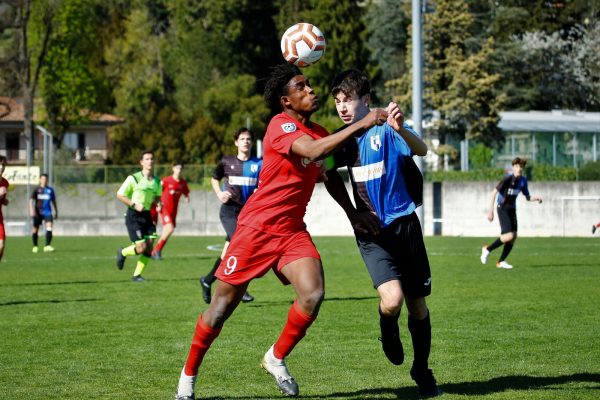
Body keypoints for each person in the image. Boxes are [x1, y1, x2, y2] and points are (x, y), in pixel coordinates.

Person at [174, 64, 388, 400]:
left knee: (313, 294)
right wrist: (363, 121)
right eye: (301, 87)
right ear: (286, 100)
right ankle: (187, 379)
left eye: (310, 84)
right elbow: (315, 152)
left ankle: (275, 357)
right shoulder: (279, 125)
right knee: (219, 310)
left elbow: (328, 172)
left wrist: (354, 213)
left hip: (291, 232)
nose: (311, 90)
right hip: (254, 230)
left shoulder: (318, 131)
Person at [323, 69, 441, 398]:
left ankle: (422, 367)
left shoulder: (387, 129)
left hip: (405, 227)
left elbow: (421, 150)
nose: (342, 108)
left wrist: (401, 128)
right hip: (372, 232)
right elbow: (328, 174)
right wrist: (353, 213)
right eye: (337, 102)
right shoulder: (343, 139)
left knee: (418, 307)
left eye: (348, 100)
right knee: (392, 301)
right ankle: (388, 330)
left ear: (367, 101)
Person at [199, 127, 262, 304]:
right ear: (236, 142)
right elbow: (214, 178)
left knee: (228, 253)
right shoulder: (227, 162)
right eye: (242, 139)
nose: (246, 142)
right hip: (229, 211)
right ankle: (241, 289)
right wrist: (219, 193)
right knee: (242, 245)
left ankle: (207, 280)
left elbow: (264, 183)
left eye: (248, 139)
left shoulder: (259, 163)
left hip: (247, 214)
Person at [480, 157, 543, 269]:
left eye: (521, 167)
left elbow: (527, 197)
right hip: (502, 208)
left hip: (512, 209)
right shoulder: (507, 179)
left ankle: (501, 262)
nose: (519, 169)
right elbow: (493, 193)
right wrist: (491, 211)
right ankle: (487, 249)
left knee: (513, 237)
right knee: (509, 235)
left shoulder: (523, 181)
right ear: (513, 167)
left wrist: (536, 198)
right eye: (517, 166)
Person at [115, 150, 162, 282]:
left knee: (149, 247)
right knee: (141, 247)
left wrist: (158, 203)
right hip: (133, 215)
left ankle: (137, 276)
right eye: (147, 159)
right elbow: (120, 195)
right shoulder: (134, 178)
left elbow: (157, 196)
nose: (150, 161)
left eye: (152, 158)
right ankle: (123, 252)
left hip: (147, 215)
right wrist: (134, 204)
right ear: (141, 162)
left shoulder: (157, 181)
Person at [151, 161, 190, 260]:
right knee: (169, 228)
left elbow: (186, 192)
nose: (179, 170)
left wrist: (187, 197)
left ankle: (154, 252)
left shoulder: (182, 183)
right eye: (177, 168)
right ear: (173, 168)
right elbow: (157, 192)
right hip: (164, 208)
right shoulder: (166, 180)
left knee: (168, 231)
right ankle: (156, 251)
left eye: (180, 168)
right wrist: (158, 204)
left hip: (174, 211)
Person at [29, 173, 58, 253]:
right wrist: (31, 210)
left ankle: (47, 246)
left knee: (49, 228)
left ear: (47, 180)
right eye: (42, 179)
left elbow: (54, 201)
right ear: (40, 179)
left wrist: (56, 211)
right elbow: (31, 200)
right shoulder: (36, 190)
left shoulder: (50, 190)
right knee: (35, 229)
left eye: (45, 179)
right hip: (38, 212)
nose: (44, 180)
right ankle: (35, 246)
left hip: (47, 212)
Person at [0, 156, 9, 262]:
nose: (1, 167)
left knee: (1, 245)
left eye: (3, 165)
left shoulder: (5, 183)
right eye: (0, 164)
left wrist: (4, 201)